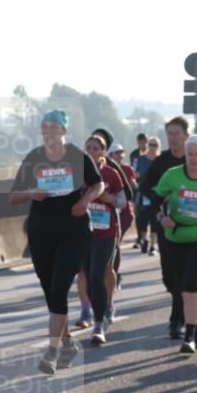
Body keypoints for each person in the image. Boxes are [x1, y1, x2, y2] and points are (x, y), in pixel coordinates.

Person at [10, 110, 102, 374]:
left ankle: (51, 352)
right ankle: (68, 344)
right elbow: (13, 197)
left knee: (60, 288)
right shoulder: (34, 158)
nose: (48, 130)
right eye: (44, 126)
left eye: (53, 126)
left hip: (74, 233)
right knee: (52, 294)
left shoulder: (77, 156)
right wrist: (31, 193)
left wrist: (85, 201)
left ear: (63, 130)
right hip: (41, 235)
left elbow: (98, 185)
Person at [152, 135, 197, 353]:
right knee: (180, 286)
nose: (193, 159)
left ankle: (189, 335)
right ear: (185, 154)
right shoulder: (172, 176)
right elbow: (154, 201)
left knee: (191, 281)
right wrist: (161, 217)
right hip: (176, 236)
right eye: (190, 154)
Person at [139, 117, 190, 336]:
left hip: (191, 227)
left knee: (185, 278)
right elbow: (145, 188)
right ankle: (188, 310)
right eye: (169, 133)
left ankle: (177, 320)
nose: (172, 137)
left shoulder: (195, 159)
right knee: (169, 278)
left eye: (177, 133)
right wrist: (163, 200)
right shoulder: (161, 162)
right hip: (167, 226)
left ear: (186, 135)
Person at [74, 135, 125, 344]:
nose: (91, 151)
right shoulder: (79, 173)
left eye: (95, 148)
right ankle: (93, 311)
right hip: (85, 232)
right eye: (88, 148)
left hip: (106, 231)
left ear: (103, 152)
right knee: (86, 273)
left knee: (98, 275)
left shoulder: (111, 173)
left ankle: (98, 322)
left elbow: (123, 201)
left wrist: (109, 199)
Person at [106, 142, 136, 291]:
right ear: (110, 154)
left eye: (122, 152)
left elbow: (132, 190)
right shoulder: (102, 170)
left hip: (124, 213)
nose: (120, 155)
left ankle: (114, 273)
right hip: (105, 214)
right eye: (117, 152)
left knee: (114, 244)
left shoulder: (126, 169)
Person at [133, 136, 160, 251]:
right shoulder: (141, 159)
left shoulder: (160, 160)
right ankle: (145, 239)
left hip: (156, 194)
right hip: (143, 194)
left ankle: (153, 246)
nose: (152, 147)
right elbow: (134, 174)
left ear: (158, 147)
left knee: (154, 221)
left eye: (155, 145)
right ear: (147, 145)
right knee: (142, 221)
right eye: (150, 144)